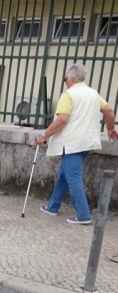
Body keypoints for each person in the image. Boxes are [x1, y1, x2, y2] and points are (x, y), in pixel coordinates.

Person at [36, 64, 118, 225]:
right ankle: (52, 206)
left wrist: (44, 135)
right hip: (87, 142)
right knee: (64, 174)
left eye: (65, 78)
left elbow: (61, 120)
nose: (65, 81)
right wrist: (110, 128)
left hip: (72, 143)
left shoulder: (68, 95)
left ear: (71, 78)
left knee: (73, 177)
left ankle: (83, 215)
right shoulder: (93, 94)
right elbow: (109, 111)